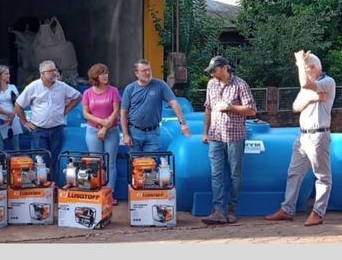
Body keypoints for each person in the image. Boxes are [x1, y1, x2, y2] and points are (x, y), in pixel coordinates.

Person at [265, 50, 335, 226]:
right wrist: (312, 99)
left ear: (316, 68)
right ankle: (287, 209)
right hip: (303, 136)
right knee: (294, 173)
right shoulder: (310, 89)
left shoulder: (327, 82)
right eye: (304, 68)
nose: (306, 70)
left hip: (318, 135)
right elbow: (295, 106)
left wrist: (298, 61)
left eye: (308, 68)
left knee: (322, 176)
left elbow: (304, 83)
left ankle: (318, 213)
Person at [201, 55, 257, 225]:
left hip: (234, 136)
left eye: (214, 70)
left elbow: (252, 110)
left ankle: (232, 208)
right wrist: (205, 132)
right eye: (210, 71)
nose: (212, 74)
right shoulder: (211, 84)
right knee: (216, 174)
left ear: (225, 68)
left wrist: (230, 108)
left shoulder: (240, 84)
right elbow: (208, 109)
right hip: (216, 136)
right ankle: (218, 210)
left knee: (235, 174)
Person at [15, 60, 82, 183]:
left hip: (57, 129)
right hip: (39, 130)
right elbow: (18, 104)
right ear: (42, 73)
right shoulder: (33, 87)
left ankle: (53, 187)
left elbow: (78, 96)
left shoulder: (62, 86)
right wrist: (25, 122)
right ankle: (40, 187)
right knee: (40, 161)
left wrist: (66, 110)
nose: (54, 73)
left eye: (55, 70)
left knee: (54, 160)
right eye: (50, 71)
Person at [120, 59, 191, 152]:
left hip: (153, 133)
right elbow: (123, 113)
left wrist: (183, 125)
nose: (148, 72)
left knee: (151, 163)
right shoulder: (130, 89)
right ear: (137, 73)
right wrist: (125, 135)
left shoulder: (160, 85)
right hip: (134, 132)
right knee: (135, 164)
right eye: (144, 70)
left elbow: (174, 103)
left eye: (149, 69)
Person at [82, 63, 121, 205]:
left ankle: (110, 194)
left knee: (110, 163)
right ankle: (96, 190)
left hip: (111, 130)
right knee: (95, 162)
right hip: (92, 130)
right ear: (95, 76)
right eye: (102, 73)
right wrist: (100, 122)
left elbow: (116, 111)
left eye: (106, 73)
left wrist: (105, 128)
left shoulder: (114, 91)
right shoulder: (87, 93)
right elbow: (85, 113)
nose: (105, 76)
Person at [0, 65, 20, 151]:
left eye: (9, 73)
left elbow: (17, 102)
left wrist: (12, 114)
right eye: (6, 73)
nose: (9, 75)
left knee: (16, 145)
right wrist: (6, 113)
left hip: (12, 119)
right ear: (0, 75)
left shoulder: (12, 87)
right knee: (0, 145)